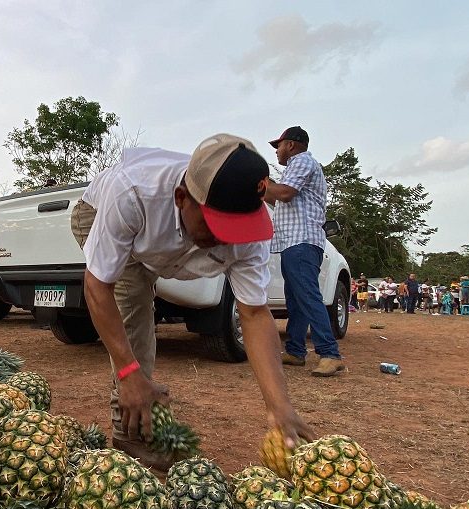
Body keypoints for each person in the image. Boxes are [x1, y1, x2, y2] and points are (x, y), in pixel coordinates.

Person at [70, 134, 314, 472]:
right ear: (182, 198)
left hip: (156, 239)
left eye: (237, 227)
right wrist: (129, 372)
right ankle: (130, 437)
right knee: (135, 306)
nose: (227, 239)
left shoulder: (250, 231)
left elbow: (255, 314)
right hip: (95, 212)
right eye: (217, 226)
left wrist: (280, 405)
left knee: (142, 293)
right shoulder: (131, 193)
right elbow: (97, 287)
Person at [263, 126, 345, 376]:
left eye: (278, 145)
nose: (277, 151)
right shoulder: (296, 169)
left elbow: (285, 194)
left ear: (291, 145)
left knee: (307, 296)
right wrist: (265, 188)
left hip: (301, 241)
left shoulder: (301, 162)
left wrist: (258, 182)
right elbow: (277, 197)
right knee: (296, 299)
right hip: (294, 242)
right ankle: (296, 351)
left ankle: (330, 353)